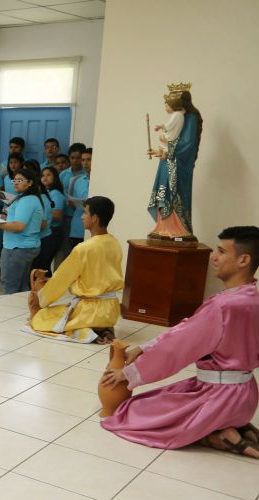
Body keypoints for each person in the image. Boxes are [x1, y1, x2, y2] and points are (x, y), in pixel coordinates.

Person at [101, 226, 259, 458]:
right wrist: (145, 347)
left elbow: (178, 346)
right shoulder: (252, 297)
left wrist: (131, 372)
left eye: (221, 251)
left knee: (131, 412)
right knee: (160, 396)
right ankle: (235, 426)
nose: (213, 257)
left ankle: (217, 435)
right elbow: (187, 330)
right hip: (245, 395)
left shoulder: (222, 306)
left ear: (243, 260)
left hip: (218, 398)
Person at [29, 196, 122, 343]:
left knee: (41, 318)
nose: (82, 216)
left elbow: (61, 279)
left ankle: (87, 332)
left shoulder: (84, 248)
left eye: (85, 213)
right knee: (60, 311)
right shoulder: (114, 242)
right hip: (112, 310)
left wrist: (40, 300)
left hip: (90, 310)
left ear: (95, 218)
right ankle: (102, 328)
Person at [148, 87, 202, 239]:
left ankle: (177, 230)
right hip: (167, 161)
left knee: (173, 192)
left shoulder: (190, 118)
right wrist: (161, 152)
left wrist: (169, 149)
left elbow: (188, 143)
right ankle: (162, 227)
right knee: (162, 190)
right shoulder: (178, 116)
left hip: (178, 163)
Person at [0, 166, 43, 294]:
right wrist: (2, 217)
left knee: (10, 285)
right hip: (23, 247)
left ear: (30, 182)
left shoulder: (27, 200)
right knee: (21, 286)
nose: (15, 183)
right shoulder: (24, 198)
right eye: (14, 180)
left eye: (20, 180)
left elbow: (19, 226)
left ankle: (10, 312)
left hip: (17, 248)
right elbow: (15, 218)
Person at [30, 166, 67, 273]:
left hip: (54, 232)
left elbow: (57, 215)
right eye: (42, 175)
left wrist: (39, 214)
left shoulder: (56, 193)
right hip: (47, 231)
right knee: (42, 266)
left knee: (43, 266)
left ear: (55, 177)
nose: (44, 178)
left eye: (48, 175)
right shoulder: (45, 192)